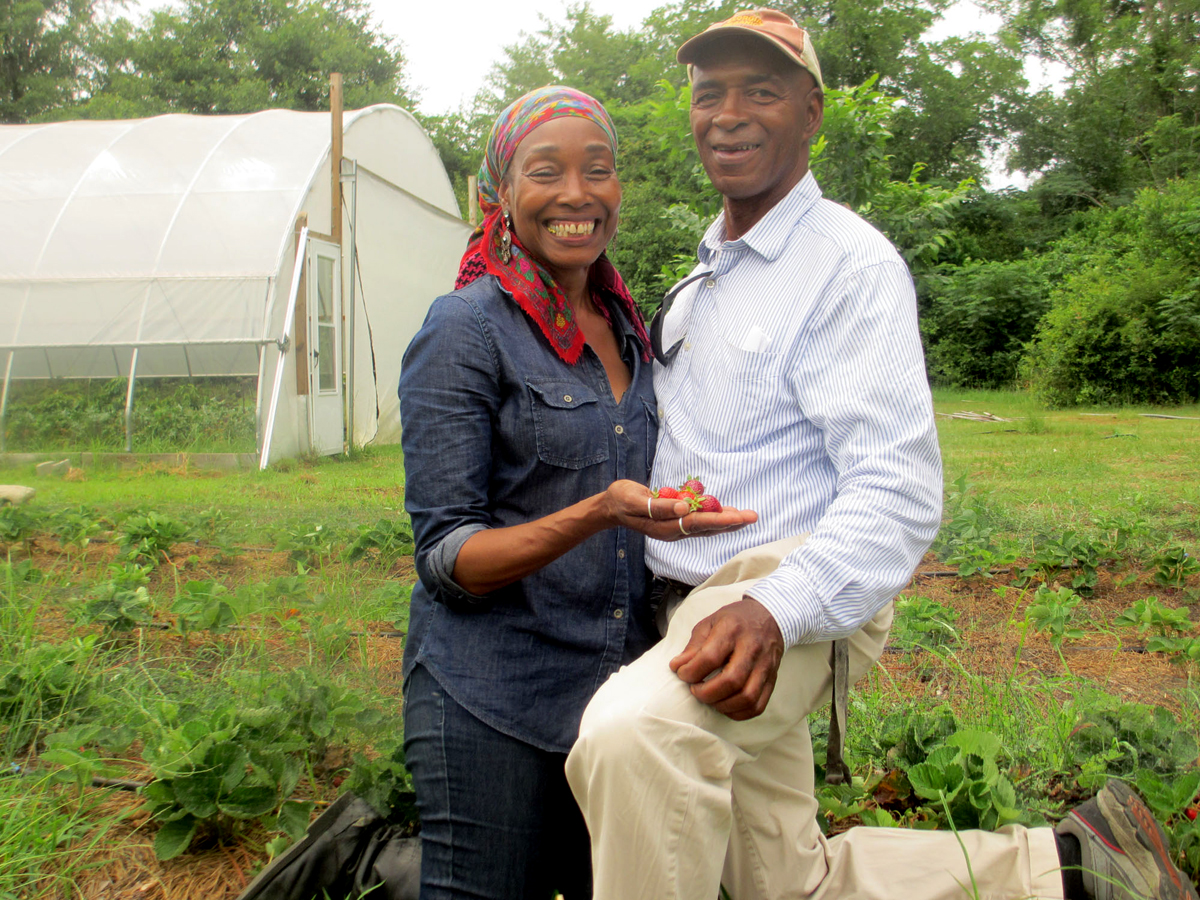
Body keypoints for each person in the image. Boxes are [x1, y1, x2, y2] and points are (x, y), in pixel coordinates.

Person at [564, 11, 1200, 900]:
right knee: (785, 883)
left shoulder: (847, 267)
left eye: (762, 91)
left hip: (784, 593)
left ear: (812, 111)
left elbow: (897, 492)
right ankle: (1072, 866)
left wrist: (775, 612)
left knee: (632, 737)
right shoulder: (709, 272)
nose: (729, 114)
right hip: (698, 601)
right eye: (710, 94)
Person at [397, 86, 754, 900]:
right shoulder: (464, 328)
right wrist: (601, 510)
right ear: (501, 191)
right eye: (545, 171)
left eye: (598, 170)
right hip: (493, 698)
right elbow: (448, 558)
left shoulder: (631, 324)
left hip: (618, 698)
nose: (576, 195)